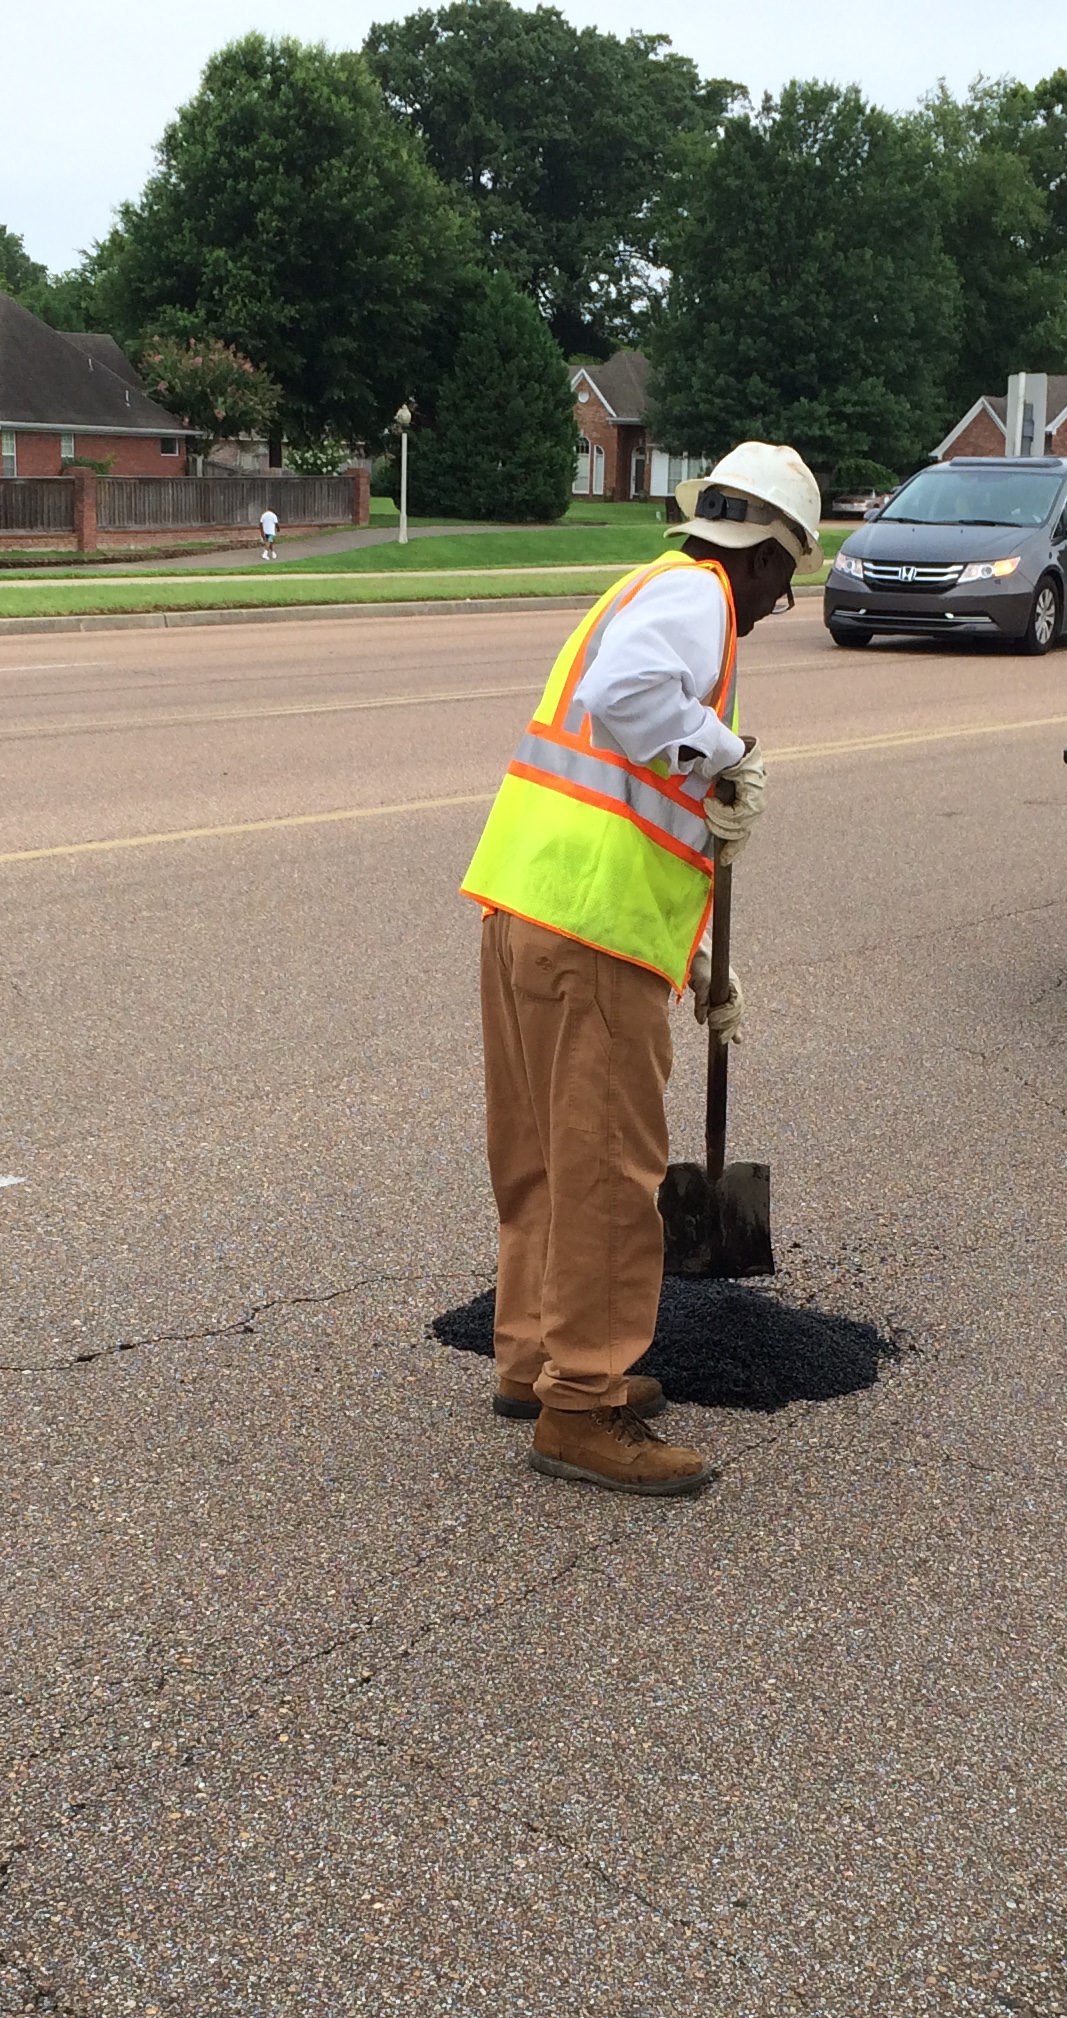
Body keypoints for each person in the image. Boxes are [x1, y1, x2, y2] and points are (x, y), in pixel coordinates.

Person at [457, 441, 823, 1495]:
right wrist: (727, 753)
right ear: (765, 555)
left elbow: (618, 795)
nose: (773, 605)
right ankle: (584, 1406)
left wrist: (697, 960)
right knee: (610, 1177)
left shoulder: (641, 586)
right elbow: (629, 696)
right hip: (592, 940)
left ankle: (533, 1359)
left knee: (541, 1158)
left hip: (529, 908)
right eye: (783, 583)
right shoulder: (701, 598)